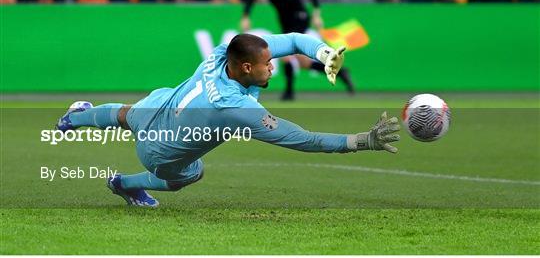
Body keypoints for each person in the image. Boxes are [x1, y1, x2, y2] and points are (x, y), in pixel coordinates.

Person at [55, 33, 400, 207]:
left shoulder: (222, 52)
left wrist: (324, 54)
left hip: (160, 108)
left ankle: (75, 118)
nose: (273, 66)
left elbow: (294, 40)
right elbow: (302, 139)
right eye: (267, 64)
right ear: (247, 68)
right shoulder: (235, 108)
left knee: (127, 113)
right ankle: (124, 184)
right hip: (157, 153)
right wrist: (361, 141)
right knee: (193, 173)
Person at [241, 0, 354, 100]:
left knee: (285, 54)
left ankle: (289, 93)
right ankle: (340, 72)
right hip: (285, 20)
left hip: (299, 17)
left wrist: (316, 12)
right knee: (303, 63)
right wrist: (246, 16)